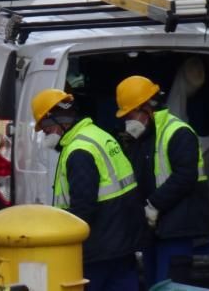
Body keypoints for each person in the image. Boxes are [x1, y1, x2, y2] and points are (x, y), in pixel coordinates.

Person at [31, 88, 143, 291]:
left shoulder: (79, 150)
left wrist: (61, 239)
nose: (45, 133)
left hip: (98, 249)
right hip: (123, 243)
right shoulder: (98, 135)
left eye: (45, 127)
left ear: (57, 120)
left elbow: (83, 208)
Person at [115, 75, 209, 288]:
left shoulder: (178, 133)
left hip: (178, 226)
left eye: (130, 114)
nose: (128, 121)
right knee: (154, 284)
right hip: (155, 230)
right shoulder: (143, 138)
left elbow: (185, 176)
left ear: (146, 108)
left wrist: (154, 204)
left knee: (170, 285)